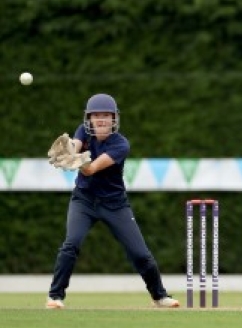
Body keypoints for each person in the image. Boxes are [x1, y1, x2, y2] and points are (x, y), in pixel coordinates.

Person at [45, 93, 179, 309]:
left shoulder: (121, 145)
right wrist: (69, 151)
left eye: (106, 115)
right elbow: (75, 146)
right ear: (88, 119)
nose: (101, 119)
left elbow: (91, 169)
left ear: (114, 119)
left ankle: (159, 296)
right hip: (84, 201)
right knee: (71, 245)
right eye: (96, 115)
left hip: (115, 204)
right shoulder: (82, 131)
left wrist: (75, 161)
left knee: (140, 254)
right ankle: (55, 296)